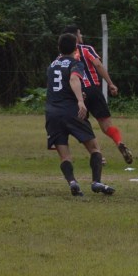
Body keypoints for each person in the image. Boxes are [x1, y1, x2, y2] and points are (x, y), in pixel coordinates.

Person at [45, 33, 115, 196]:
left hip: (52, 113)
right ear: (76, 49)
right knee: (94, 148)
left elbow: (55, 87)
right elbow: (74, 80)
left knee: (64, 155)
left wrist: (77, 94)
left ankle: (72, 182)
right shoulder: (76, 63)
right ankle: (96, 182)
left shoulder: (52, 65)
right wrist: (80, 101)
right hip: (71, 112)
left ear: (58, 48)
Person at [62, 25, 133, 165]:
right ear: (75, 36)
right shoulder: (87, 49)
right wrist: (110, 83)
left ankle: (98, 155)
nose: (82, 36)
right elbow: (98, 65)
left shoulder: (63, 56)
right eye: (80, 34)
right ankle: (119, 142)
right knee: (107, 125)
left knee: (83, 126)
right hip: (93, 90)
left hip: (78, 94)